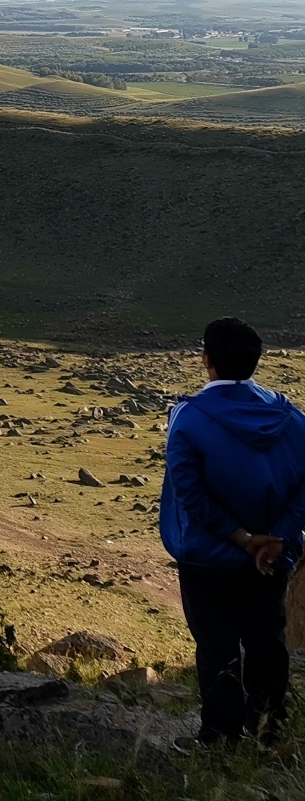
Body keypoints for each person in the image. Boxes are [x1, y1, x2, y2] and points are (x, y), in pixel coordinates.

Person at [160, 316, 305, 745]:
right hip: (273, 556)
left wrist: (241, 538)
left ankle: (220, 738)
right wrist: (277, 536)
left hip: (208, 556)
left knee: (216, 645)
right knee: (267, 639)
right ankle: (270, 732)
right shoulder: (292, 418)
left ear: (206, 359)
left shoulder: (189, 417)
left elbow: (190, 493)